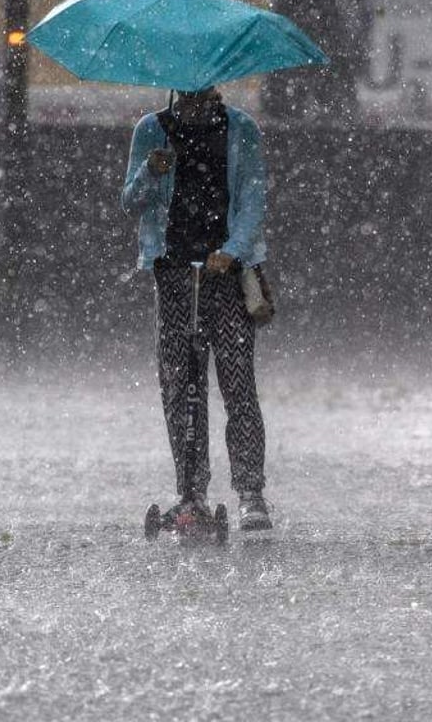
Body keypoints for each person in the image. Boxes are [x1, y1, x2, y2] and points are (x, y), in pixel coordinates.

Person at [121, 87, 272, 531]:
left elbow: (251, 201)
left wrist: (232, 250)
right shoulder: (152, 131)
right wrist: (151, 170)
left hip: (224, 275)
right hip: (172, 274)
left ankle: (250, 491)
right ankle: (191, 490)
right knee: (180, 387)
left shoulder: (241, 130)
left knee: (237, 381)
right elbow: (130, 201)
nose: (194, 95)